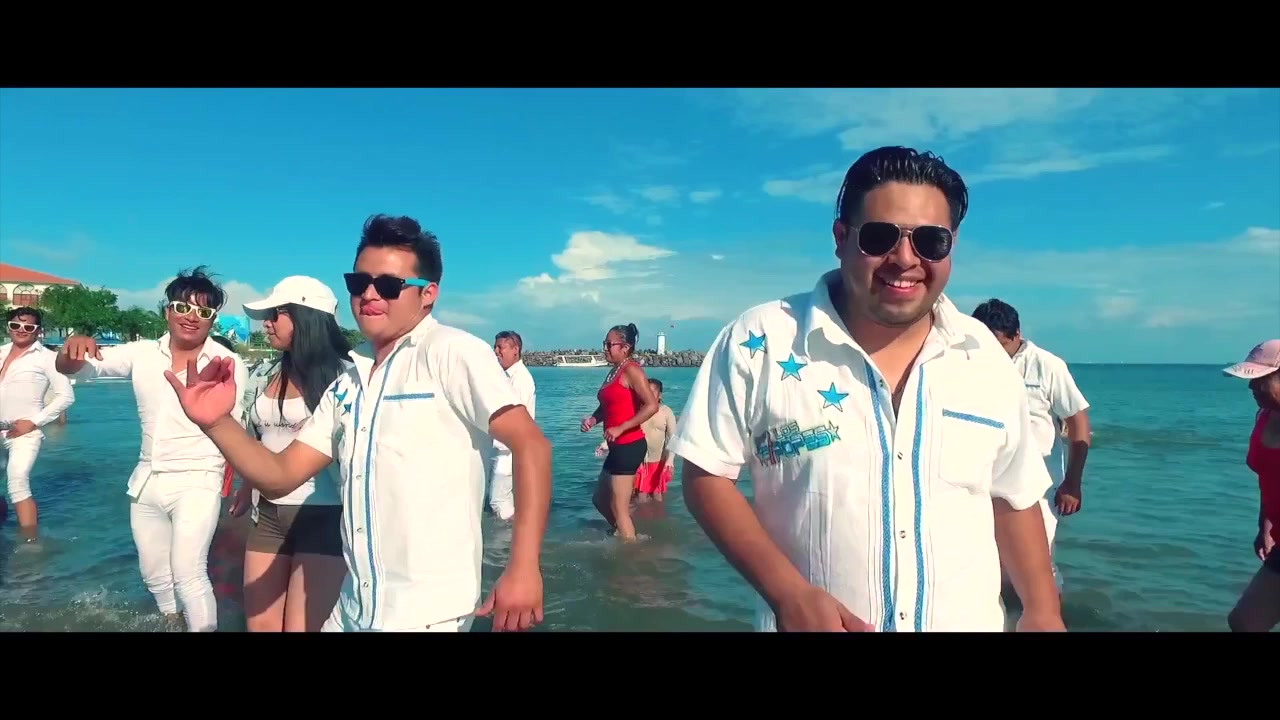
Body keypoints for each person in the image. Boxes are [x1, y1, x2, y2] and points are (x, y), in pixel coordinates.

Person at [667, 145, 1063, 633]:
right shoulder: (761, 340)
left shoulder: (983, 355)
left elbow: (1014, 495)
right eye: (880, 237)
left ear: (952, 246)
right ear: (841, 237)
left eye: (931, 240)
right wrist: (787, 593)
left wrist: (1043, 611)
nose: (905, 259)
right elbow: (706, 475)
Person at [163, 214, 552, 632]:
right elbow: (279, 477)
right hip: (352, 609)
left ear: (428, 294)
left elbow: (531, 446)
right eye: (358, 282)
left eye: (389, 285)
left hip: (428, 614)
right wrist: (216, 422)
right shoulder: (348, 382)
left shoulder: (452, 352)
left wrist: (523, 567)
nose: (369, 294)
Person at [55, 267, 249, 632]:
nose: (191, 317)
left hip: (198, 478)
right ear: (167, 311)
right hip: (147, 478)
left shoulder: (227, 362)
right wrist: (71, 349)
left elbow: (234, 429)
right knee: (154, 572)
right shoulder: (142, 352)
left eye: (204, 311)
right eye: (182, 307)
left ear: (213, 320)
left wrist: (237, 484)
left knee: (189, 573)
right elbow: (77, 370)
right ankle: (172, 622)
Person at [229, 275, 354, 631]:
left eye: (275, 314)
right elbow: (257, 440)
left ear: (306, 318)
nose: (266, 323)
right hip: (267, 515)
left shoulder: (348, 379)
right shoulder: (263, 373)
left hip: (325, 515)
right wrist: (247, 485)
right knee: (260, 627)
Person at [971, 298, 1091, 592]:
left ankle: (1050, 614)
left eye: (1000, 344)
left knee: (1038, 569)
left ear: (1017, 335)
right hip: (981, 482)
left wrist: (1073, 483)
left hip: (1037, 486)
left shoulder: (1047, 366)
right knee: (983, 566)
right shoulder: (971, 361)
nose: (993, 352)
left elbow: (1077, 421)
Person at [0, 306, 75, 542]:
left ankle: (31, 544)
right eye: (16, 325)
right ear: (8, 327)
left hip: (24, 433)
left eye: (29, 326)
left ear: (38, 331)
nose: (21, 330)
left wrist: (33, 422)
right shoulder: (0, 352)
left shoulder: (48, 358)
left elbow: (66, 396)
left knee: (17, 482)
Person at [581, 323, 659, 541]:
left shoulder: (632, 370)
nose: (605, 348)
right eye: (604, 344)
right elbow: (609, 406)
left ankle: (631, 550)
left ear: (625, 347)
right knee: (599, 500)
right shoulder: (614, 371)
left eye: (609, 344)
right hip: (617, 447)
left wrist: (621, 427)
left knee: (619, 507)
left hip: (630, 444)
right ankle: (627, 536)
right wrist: (593, 419)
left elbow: (651, 405)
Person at [1224, 339, 1280, 632]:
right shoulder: (1264, 417)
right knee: (1245, 622)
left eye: (1260, 380)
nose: (1251, 387)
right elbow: (1268, 475)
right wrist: (1265, 526)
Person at [489, 330, 536, 521]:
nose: (496, 351)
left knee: (499, 502)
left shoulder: (520, 379)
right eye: (495, 347)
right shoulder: (506, 376)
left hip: (509, 448)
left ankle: (511, 536)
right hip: (502, 447)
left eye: (501, 347)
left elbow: (515, 416)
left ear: (515, 350)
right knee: (500, 499)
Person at [634, 378, 677, 502]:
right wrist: (606, 444)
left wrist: (670, 460)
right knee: (640, 496)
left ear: (660, 395)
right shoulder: (637, 411)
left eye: (652, 392)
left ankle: (659, 513)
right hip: (640, 461)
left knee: (657, 495)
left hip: (659, 462)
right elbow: (625, 431)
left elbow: (673, 438)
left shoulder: (666, 412)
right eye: (645, 391)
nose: (648, 394)